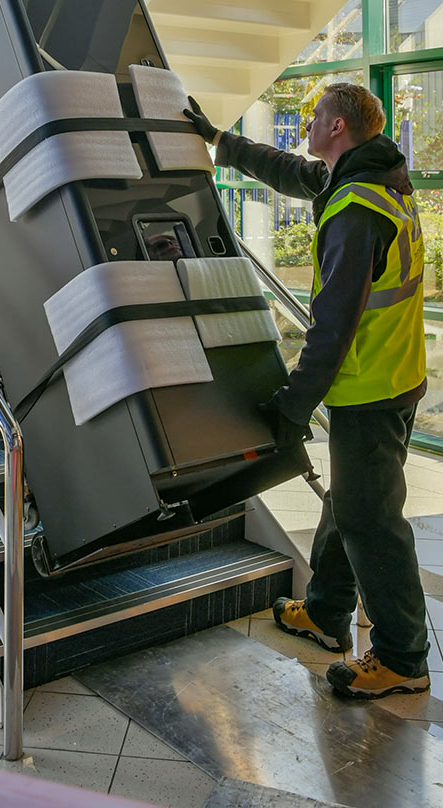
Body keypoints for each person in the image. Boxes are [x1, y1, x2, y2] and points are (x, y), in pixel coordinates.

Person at [183, 83, 430, 700]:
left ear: (339, 126)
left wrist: (293, 404)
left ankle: (402, 656)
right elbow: (292, 172)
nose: (307, 127)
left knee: (371, 521)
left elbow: (333, 330)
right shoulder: (376, 176)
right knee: (348, 500)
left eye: (315, 118)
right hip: (396, 374)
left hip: (370, 387)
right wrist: (219, 141)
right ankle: (325, 612)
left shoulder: (355, 210)